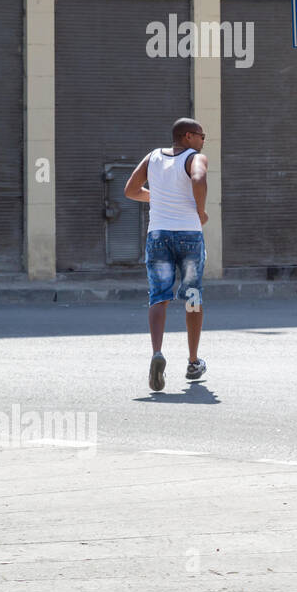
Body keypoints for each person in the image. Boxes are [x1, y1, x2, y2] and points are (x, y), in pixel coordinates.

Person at [123, 117, 209, 392]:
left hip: (158, 235)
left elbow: (130, 190)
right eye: (201, 135)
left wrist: (159, 197)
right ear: (187, 136)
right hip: (189, 235)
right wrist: (200, 209)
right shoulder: (195, 157)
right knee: (192, 296)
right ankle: (193, 361)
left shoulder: (152, 157)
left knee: (158, 296)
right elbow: (199, 178)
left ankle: (157, 352)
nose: (203, 140)